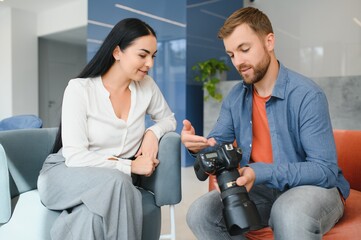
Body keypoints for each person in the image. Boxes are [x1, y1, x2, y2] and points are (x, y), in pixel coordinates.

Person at [181, 7, 349, 240]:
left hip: (312, 189)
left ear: (269, 41)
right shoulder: (235, 97)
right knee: (200, 213)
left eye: (244, 49)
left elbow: (324, 170)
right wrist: (196, 147)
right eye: (231, 54)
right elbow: (215, 145)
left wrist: (258, 172)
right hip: (259, 189)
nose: (238, 62)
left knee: (288, 212)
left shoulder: (307, 95)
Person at [37, 18, 176, 240]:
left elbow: (168, 119)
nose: (150, 63)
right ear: (117, 52)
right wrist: (130, 166)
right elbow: (75, 157)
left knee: (91, 217)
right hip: (65, 174)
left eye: (153, 56)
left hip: (110, 184)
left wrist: (153, 133)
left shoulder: (146, 86)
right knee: (119, 181)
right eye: (142, 55)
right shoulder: (80, 89)